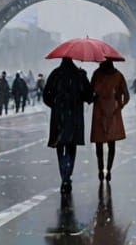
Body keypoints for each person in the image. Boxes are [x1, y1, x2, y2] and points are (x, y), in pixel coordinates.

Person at [43, 57, 95, 194]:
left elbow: (46, 95)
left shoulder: (55, 74)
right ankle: (68, 173)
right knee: (71, 147)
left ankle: (64, 175)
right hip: (74, 116)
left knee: (60, 146)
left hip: (59, 116)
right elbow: (89, 96)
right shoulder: (79, 75)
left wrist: (55, 105)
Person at [89, 59, 129, 181]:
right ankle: (109, 170)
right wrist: (119, 105)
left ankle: (100, 169)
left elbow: (90, 93)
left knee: (99, 144)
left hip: (99, 113)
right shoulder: (118, 76)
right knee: (112, 144)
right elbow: (126, 96)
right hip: (113, 114)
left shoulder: (97, 74)